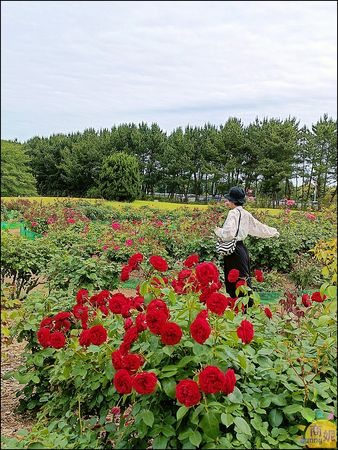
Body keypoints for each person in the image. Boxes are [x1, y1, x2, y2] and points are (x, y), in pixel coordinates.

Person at [214, 186, 279, 300]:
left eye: (228, 200)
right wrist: (273, 232)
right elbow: (258, 228)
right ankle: (247, 307)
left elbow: (229, 233)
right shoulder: (245, 214)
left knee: (234, 280)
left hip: (233, 251)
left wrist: (218, 231)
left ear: (233, 201)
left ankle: (238, 305)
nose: (227, 202)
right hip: (242, 250)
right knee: (244, 279)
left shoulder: (233, 213)